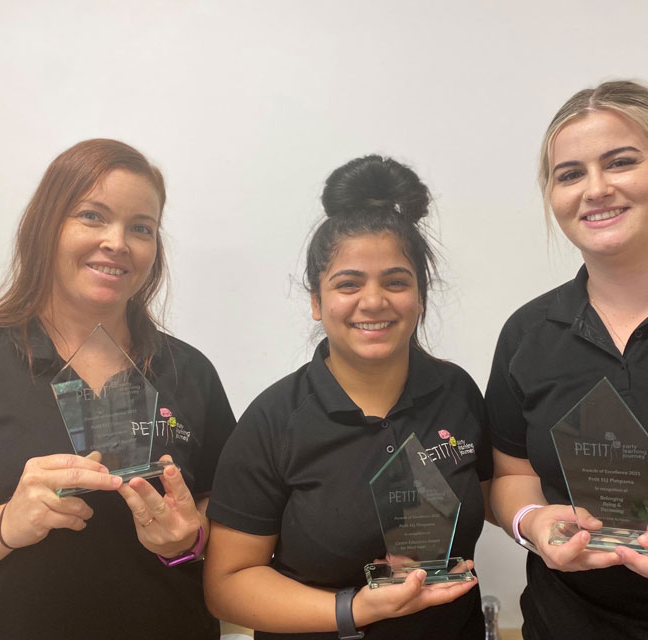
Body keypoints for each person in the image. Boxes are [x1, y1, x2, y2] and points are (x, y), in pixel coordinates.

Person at [487, 80, 648, 639]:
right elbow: (511, 475)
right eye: (570, 174)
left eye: (621, 162)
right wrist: (533, 523)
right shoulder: (528, 334)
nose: (596, 189)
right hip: (566, 625)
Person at [0, 139, 236, 639]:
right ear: (46, 226)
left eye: (141, 228)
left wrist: (187, 541)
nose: (117, 242)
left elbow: (230, 524)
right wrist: (6, 524)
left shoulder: (189, 372)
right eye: (92, 216)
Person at [204, 155, 492, 639]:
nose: (374, 301)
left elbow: (486, 499)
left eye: (396, 282)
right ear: (316, 301)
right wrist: (355, 610)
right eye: (348, 283)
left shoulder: (456, 392)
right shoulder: (273, 421)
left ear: (420, 296)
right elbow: (227, 585)